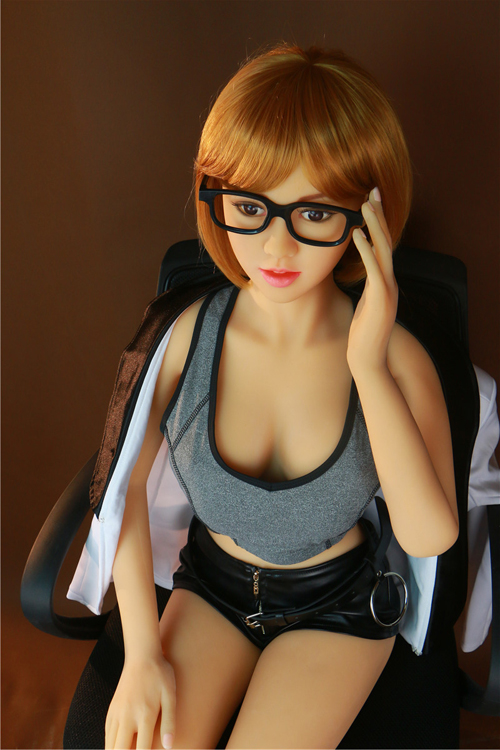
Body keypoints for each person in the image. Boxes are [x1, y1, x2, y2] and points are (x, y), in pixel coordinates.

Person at [71, 45, 459, 749]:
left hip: (335, 607)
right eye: (251, 207)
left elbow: (430, 536)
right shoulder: (183, 337)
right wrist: (142, 656)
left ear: (366, 215)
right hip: (210, 588)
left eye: (314, 213)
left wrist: (368, 367)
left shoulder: (398, 358)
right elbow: (119, 488)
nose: (277, 248)